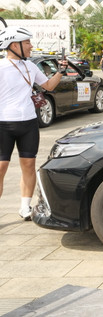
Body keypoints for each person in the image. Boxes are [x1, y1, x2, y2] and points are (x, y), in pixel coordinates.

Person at [0, 26, 70, 220]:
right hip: (3, 124)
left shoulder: (30, 66)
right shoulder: (1, 67)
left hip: (29, 123)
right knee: (1, 168)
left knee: (29, 165)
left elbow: (48, 86)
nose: (31, 46)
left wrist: (61, 71)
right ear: (14, 45)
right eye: (27, 42)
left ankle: (25, 207)